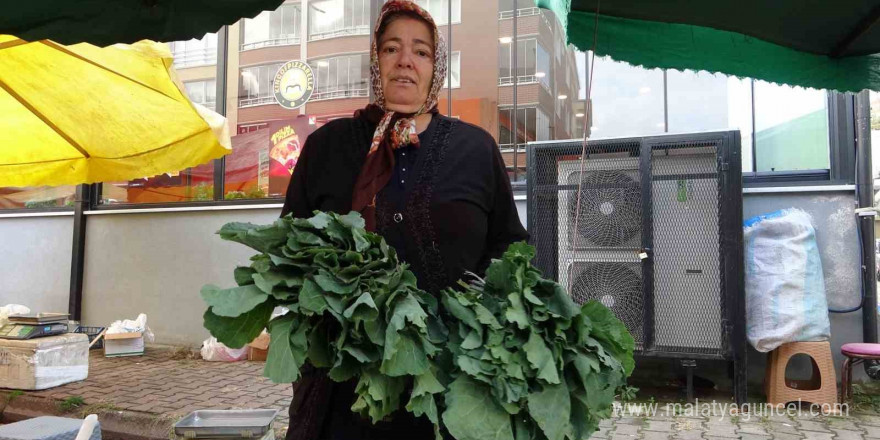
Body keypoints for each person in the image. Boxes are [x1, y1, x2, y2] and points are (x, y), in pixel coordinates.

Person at [280, 1, 528, 438]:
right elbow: (289, 249)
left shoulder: (475, 150)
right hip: (343, 386)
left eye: (422, 51)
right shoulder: (326, 147)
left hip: (451, 384)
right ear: (375, 60)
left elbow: (509, 246)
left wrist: (481, 305)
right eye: (391, 48)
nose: (405, 61)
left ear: (436, 66)